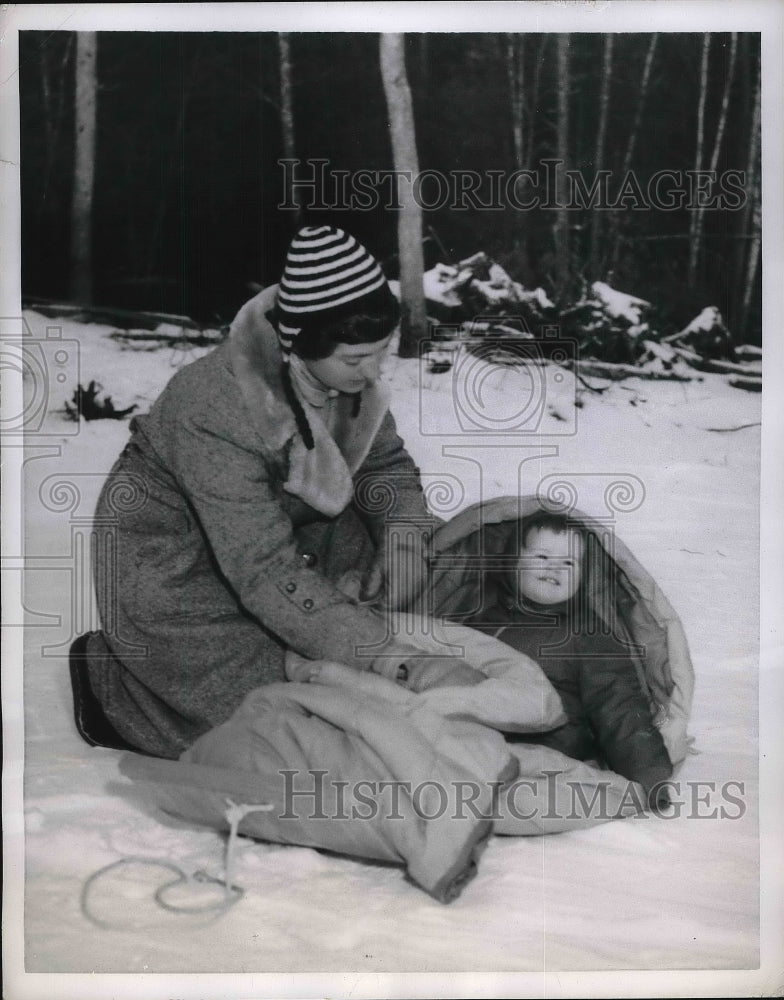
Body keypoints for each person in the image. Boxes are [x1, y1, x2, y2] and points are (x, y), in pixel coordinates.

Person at [71, 225, 482, 759]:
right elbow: (262, 569)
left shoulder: (348, 377)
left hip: (283, 533)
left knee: (417, 610)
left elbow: (386, 465)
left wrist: (403, 536)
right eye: (356, 359)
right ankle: (115, 686)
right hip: (179, 564)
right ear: (297, 344)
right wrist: (384, 656)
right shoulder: (214, 404)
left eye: (380, 353)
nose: (374, 370)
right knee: (300, 724)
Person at [460, 510, 673, 806]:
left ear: (582, 576)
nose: (555, 568)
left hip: (545, 753)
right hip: (475, 742)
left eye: (569, 562)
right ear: (512, 562)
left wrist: (650, 777)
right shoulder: (481, 624)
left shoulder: (587, 635)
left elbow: (619, 706)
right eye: (543, 557)